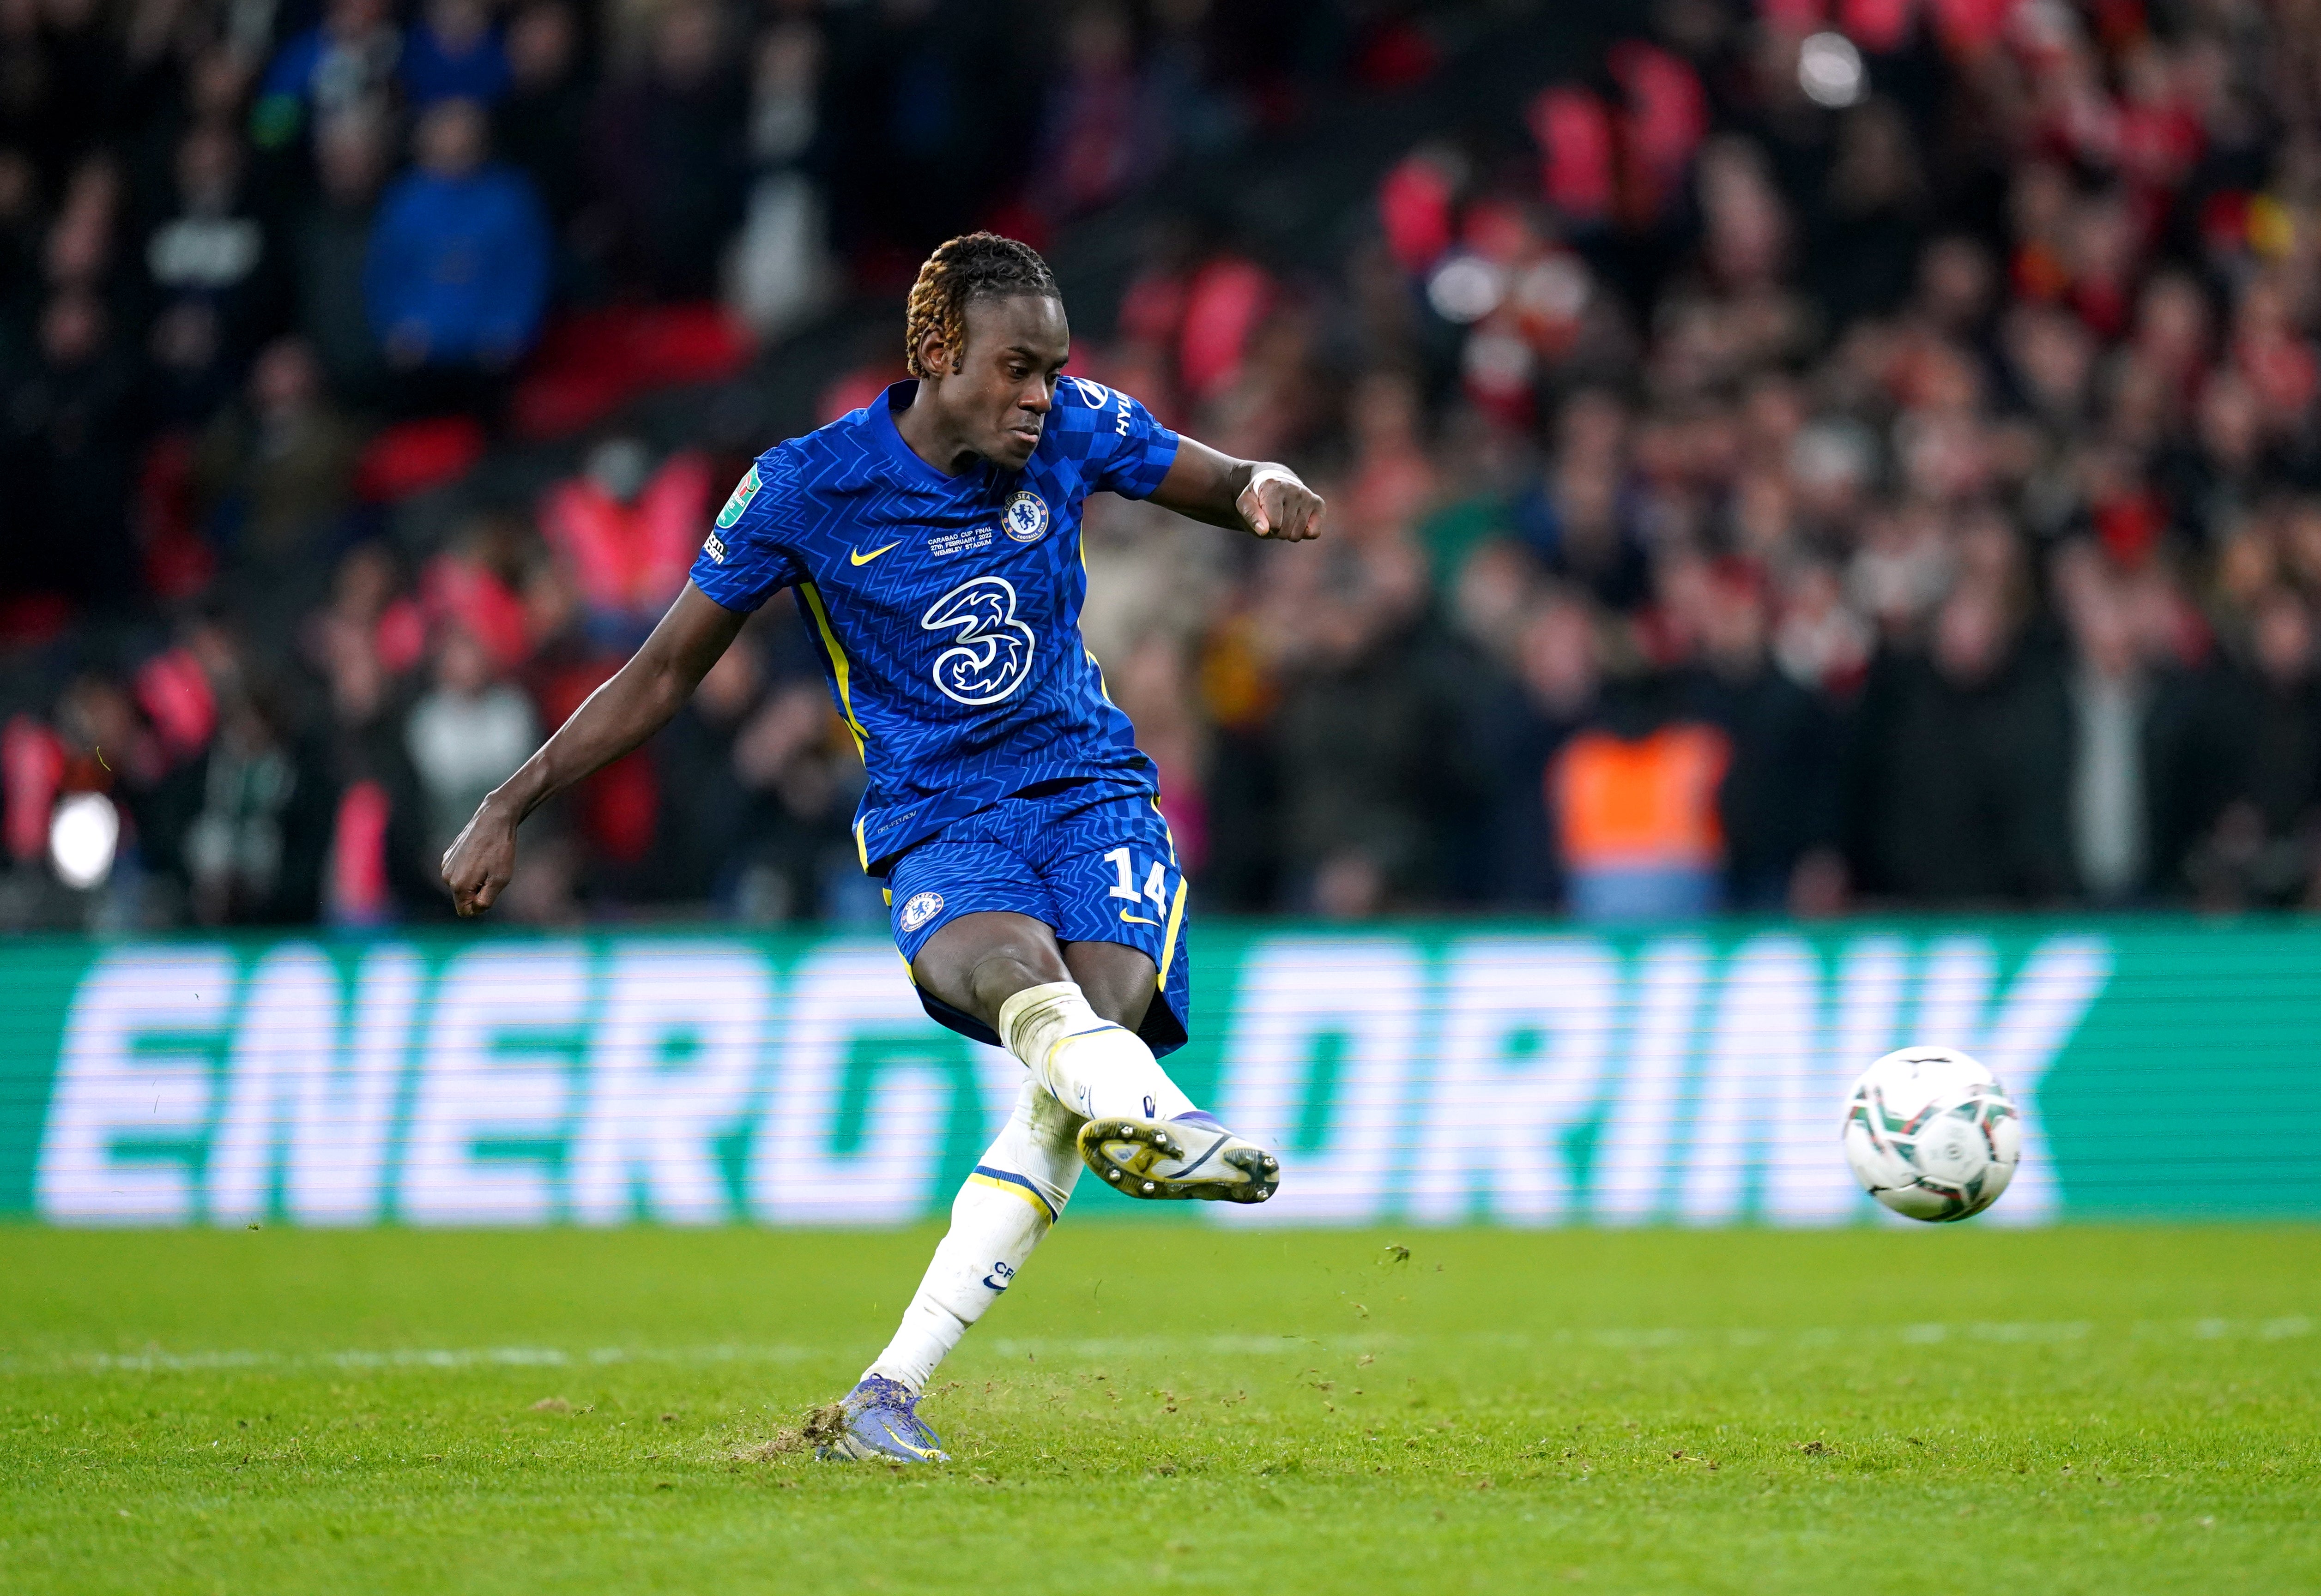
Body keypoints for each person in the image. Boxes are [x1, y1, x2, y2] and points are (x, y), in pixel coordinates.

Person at [438, 233, 1324, 1463]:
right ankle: (1173, 1125)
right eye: (1017, 367)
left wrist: (1264, 483)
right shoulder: (806, 486)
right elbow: (659, 675)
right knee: (1046, 1011)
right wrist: (513, 798)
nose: (1039, 394)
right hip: (941, 817)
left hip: (1091, 796)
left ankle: (882, 1398)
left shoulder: (1073, 427)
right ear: (935, 350)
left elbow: (1218, 477)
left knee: (1078, 1075)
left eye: (1053, 369)